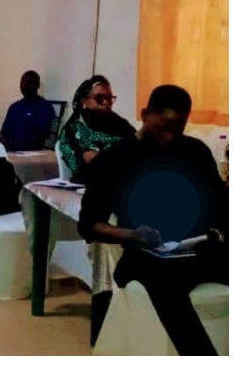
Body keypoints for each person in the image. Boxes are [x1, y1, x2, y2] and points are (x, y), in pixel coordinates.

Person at [78, 85, 229, 356]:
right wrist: (131, 234)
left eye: (178, 128)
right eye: (161, 128)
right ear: (145, 114)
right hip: (144, 254)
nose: (169, 137)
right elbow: (89, 224)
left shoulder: (194, 151)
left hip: (197, 247)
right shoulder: (115, 158)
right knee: (166, 282)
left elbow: (221, 205)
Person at [58, 75, 136, 182]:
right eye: (99, 98)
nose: (106, 102)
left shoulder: (121, 123)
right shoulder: (72, 129)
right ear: (85, 101)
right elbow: (77, 167)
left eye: (109, 98)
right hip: (93, 184)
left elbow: (137, 148)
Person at [0, 70, 56, 152]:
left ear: (37, 85)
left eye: (29, 82)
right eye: (23, 82)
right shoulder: (14, 107)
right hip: (9, 152)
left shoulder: (45, 107)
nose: (25, 85)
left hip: (31, 153)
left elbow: (40, 137)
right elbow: (3, 134)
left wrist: (15, 145)